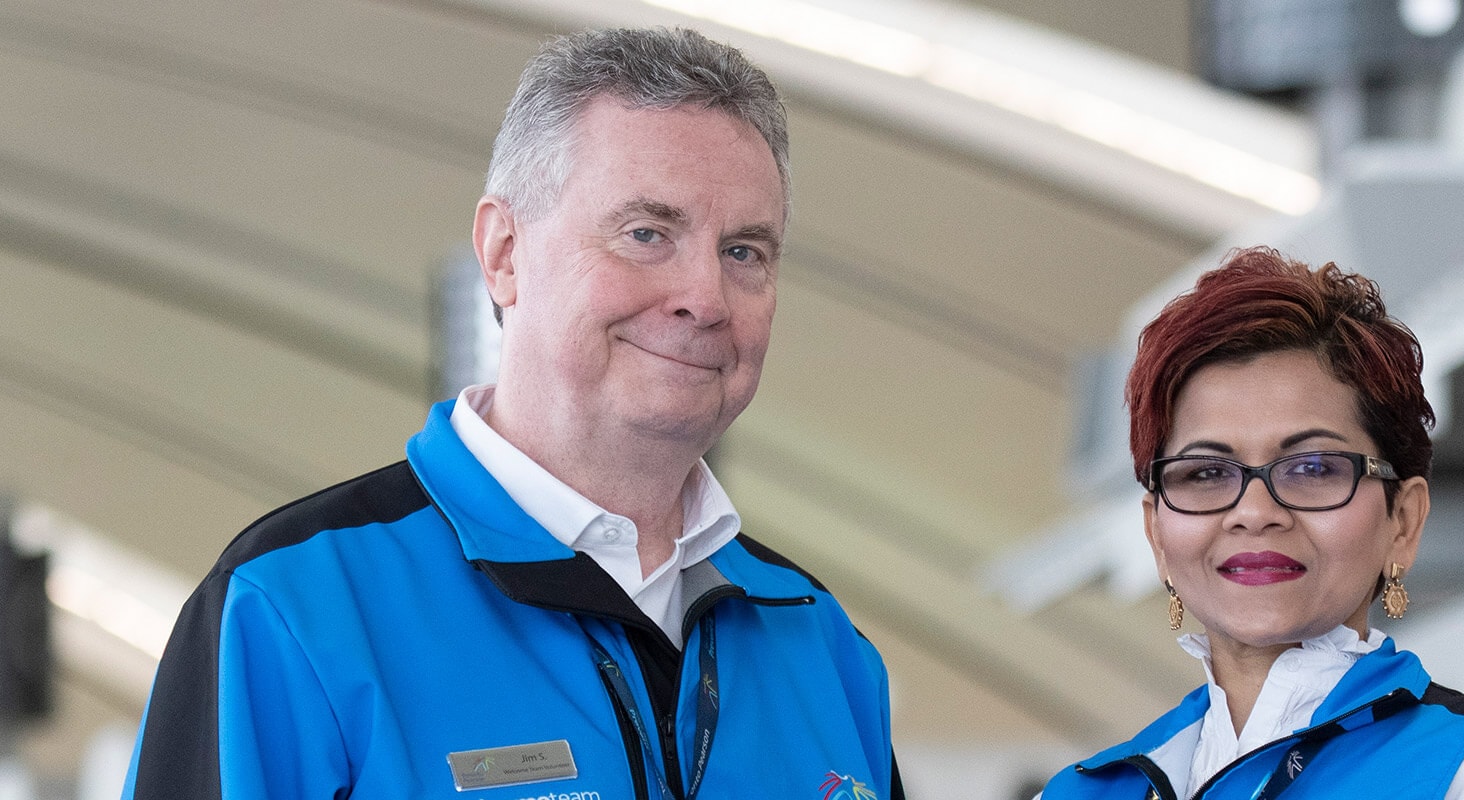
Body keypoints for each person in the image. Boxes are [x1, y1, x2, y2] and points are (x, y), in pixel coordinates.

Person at [122, 27, 898, 799]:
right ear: (503, 253)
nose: (704, 297)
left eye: (744, 253)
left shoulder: (815, 635)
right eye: (646, 234)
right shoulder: (296, 610)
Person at [1040, 248, 1464, 799]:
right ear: (1157, 536)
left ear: (1403, 521)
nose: (1255, 513)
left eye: (1312, 467)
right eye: (1207, 472)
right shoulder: (1081, 793)